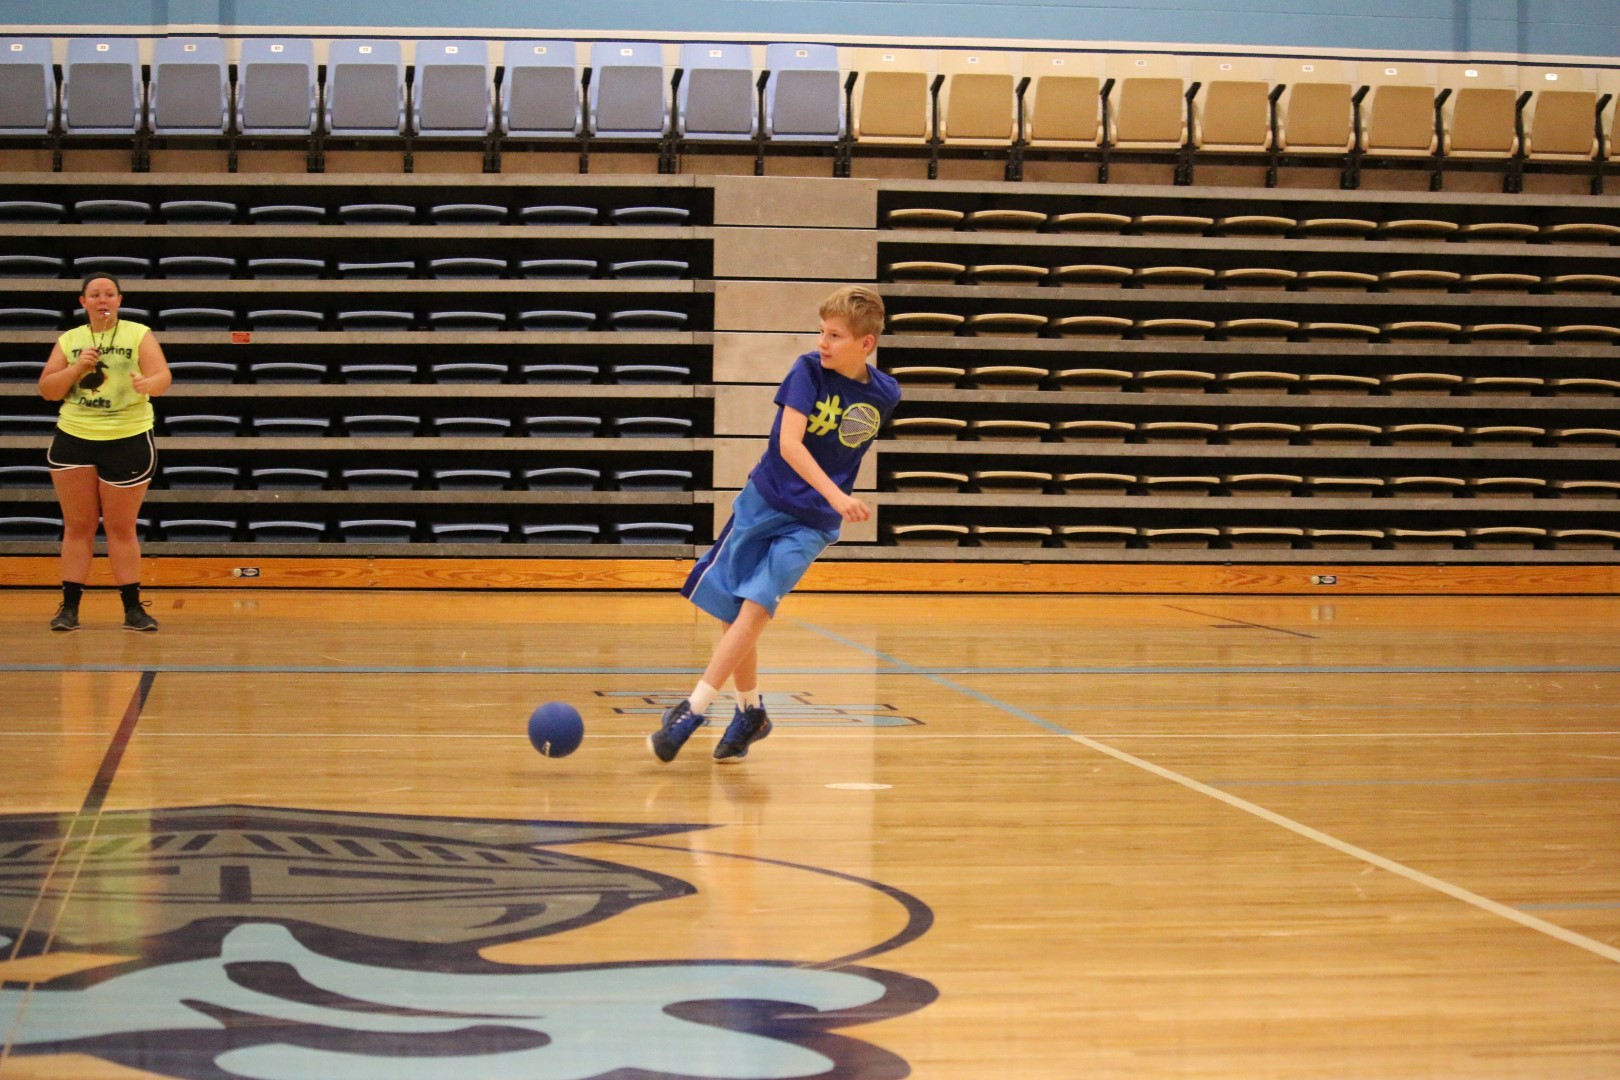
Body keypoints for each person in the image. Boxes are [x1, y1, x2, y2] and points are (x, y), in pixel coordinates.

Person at [649, 285, 899, 764]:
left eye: (835, 335)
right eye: (822, 331)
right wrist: (836, 494)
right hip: (764, 503)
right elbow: (789, 444)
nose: (823, 342)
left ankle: (693, 709)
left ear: (866, 343)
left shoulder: (885, 394)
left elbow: (843, 450)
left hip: (812, 523)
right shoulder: (807, 370)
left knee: (757, 605)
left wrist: (830, 499)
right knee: (732, 609)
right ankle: (751, 712)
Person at [37, 275, 172, 632]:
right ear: (83, 302)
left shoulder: (138, 334)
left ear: (119, 300)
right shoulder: (70, 340)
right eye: (95, 294)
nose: (102, 300)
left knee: (120, 527)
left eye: (109, 294)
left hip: (128, 438)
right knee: (78, 526)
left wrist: (149, 383)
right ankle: (69, 608)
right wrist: (76, 368)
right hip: (75, 437)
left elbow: (163, 376)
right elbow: (48, 390)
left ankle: (132, 609)